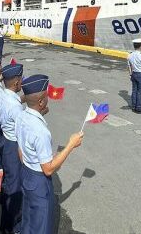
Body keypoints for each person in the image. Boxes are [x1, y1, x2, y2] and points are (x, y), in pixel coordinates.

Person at [15, 75, 83, 234]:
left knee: (28, 218)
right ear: (41, 102)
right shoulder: (40, 131)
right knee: (42, 225)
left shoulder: (21, 116)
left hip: (25, 172)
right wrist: (70, 145)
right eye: (47, 95)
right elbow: (48, 169)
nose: (49, 97)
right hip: (39, 181)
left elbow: (20, 150)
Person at [0, 63, 25, 234]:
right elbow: (22, 131)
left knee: (8, 184)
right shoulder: (15, 107)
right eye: (21, 79)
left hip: (5, 141)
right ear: (16, 83)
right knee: (14, 188)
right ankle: (13, 227)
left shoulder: (4, 95)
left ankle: (5, 223)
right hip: (13, 146)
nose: (22, 82)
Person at [127, 39, 141, 115]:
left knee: (134, 90)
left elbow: (129, 66)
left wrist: (130, 74)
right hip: (140, 75)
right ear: (140, 46)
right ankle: (138, 108)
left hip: (133, 74)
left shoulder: (129, 55)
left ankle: (133, 106)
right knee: (140, 92)